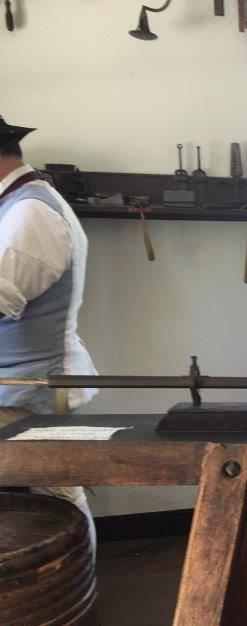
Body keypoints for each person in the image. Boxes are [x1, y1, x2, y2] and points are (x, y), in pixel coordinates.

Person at [0, 116, 98, 539]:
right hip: (21, 383)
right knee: (53, 492)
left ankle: (73, 591)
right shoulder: (20, 205)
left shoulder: (31, 212)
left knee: (57, 495)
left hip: (34, 386)